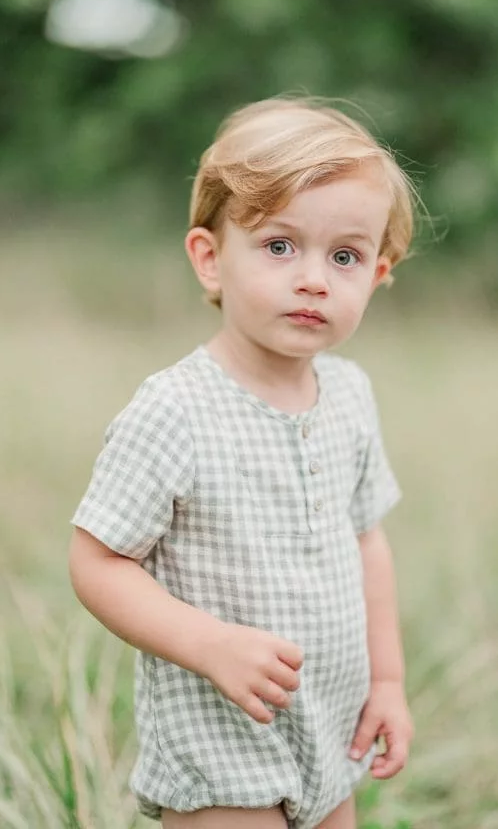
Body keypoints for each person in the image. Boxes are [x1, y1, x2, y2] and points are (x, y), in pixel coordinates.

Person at [68, 96, 416, 829]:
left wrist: (387, 680)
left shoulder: (350, 396)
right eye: (280, 246)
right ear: (210, 257)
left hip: (331, 725)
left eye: (344, 256)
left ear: (378, 274)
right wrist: (210, 645)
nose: (315, 278)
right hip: (219, 740)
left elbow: (368, 543)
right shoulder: (176, 410)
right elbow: (97, 562)